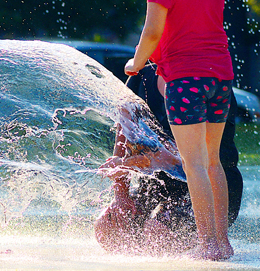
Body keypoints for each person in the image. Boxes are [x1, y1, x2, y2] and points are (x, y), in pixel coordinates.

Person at [123, 0, 235, 260]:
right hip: (220, 79)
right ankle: (223, 244)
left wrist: (136, 64)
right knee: (213, 161)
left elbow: (153, 31)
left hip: (187, 80)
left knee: (194, 164)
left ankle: (207, 246)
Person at [95, 64, 243, 255]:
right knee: (108, 229)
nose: (141, 44)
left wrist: (130, 163)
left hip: (209, 184)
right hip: (160, 185)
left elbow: (174, 158)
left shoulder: (207, 82)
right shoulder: (140, 78)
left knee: (158, 233)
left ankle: (206, 249)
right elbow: (123, 142)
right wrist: (121, 196)